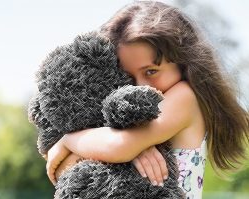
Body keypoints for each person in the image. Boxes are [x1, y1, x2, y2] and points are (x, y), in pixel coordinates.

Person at [44, 1, 249, 198]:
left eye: (151, 71)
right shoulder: (117, 122)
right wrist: (132, 151)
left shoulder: (185, 97)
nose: (140, 86)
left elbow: (118, 147)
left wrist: (68, 140)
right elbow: (63, 170)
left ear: (183, 63)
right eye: (128, 76)